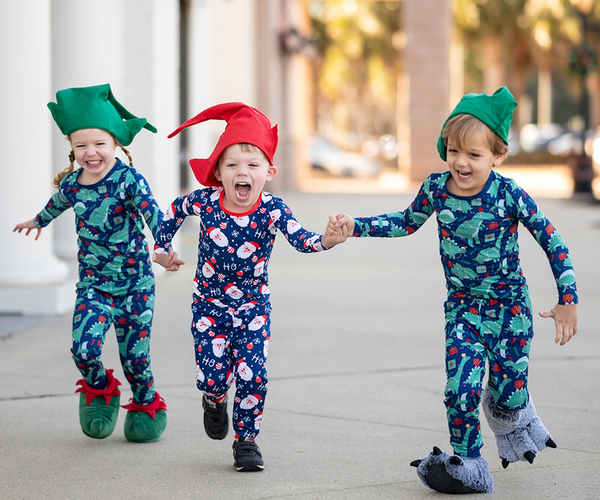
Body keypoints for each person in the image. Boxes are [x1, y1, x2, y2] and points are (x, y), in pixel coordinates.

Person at [329, 87, 578, 494]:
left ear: (497, 156)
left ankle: (515, 410)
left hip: (510, 312)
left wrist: (568, 300)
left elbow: (554, 243)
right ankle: (470, 462)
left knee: (507, 398)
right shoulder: (436, 189)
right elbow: (404, 222)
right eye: (454, 151)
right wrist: (355, 226)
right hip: (462, 310)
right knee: (459, 389)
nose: (461, 163)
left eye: (474, 155)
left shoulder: (508, 194)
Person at [153, 102, 348, 472]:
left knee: (252, 373)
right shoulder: (205, 202)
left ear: (269, 172)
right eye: (232, 165)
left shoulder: (272, 209)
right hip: (209, 308)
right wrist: (163, 250)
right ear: (219, 172)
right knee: (213, 376)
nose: (242, 172)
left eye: (252, 165)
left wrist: (326, 240)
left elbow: (300, 238)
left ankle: (247, 441)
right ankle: (214, 399)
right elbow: (173, 211)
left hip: (254, 309)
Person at [13, 84, 181, 443]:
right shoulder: (74, 184)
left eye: (100, 144)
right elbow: (57, 203)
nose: (91, 152)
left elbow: (155, 216)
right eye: (81, 145)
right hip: (93, 286)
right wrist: (37, 222)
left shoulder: (128, 180)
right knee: (83, 349)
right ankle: (100, 388)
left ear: (117, 144)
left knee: (136, 361)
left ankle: (147, 401)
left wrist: (163, 248)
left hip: (135, 287)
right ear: (72, 149)